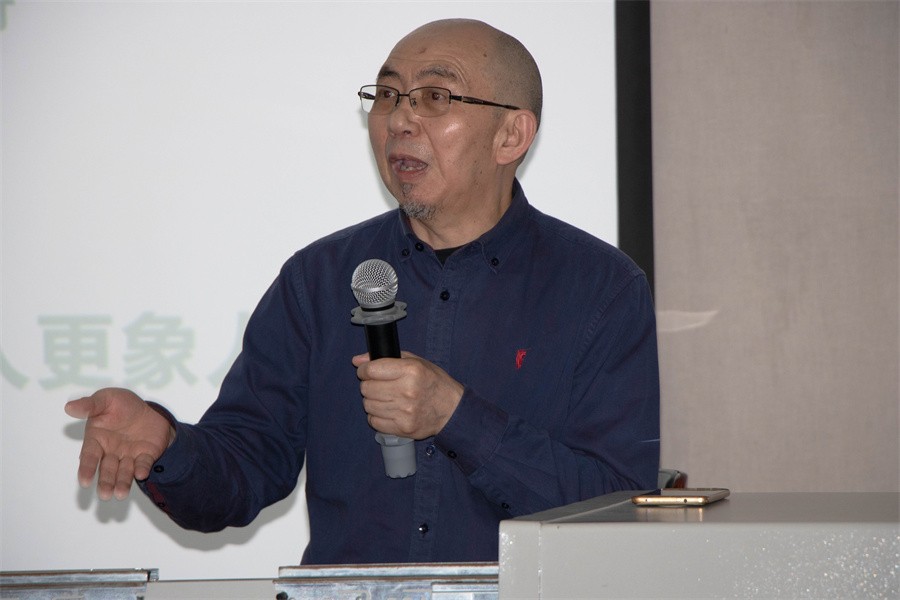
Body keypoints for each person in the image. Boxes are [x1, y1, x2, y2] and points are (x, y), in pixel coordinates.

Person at [65, 18, 660, 565]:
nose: (399, 120)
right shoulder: (317, 279)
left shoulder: (601, 289)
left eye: (435, 97)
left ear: (511, 134)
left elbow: (615, 510)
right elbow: (243, 472)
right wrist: (167, 444)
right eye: (388, 95)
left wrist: (455, 417)